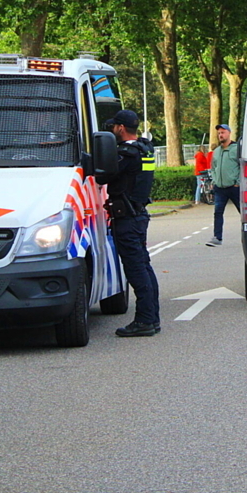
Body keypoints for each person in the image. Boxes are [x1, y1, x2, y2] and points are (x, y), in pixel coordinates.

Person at [101, 110, 160, 337]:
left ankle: (145, 320)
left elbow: (103, 176)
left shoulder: (127, 154)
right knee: (144, 266)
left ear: (121, 128)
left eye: (114, 126)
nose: (112, 130)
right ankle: (152, 318)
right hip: (137, 214)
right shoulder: (144, 148)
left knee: (136, 270)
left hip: (127, 217)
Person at [206, 124, 240, 247]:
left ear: (229, 133)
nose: (220, 135)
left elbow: (243, 166)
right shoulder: (217, 151)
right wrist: (215, 181)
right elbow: (213, 167)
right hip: (220, 188)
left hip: (234, 187)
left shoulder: (237, 149)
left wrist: (238, 182)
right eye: (219, 133)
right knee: (218, 212)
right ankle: (217, 237)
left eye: (223, 132)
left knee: (244, 212)